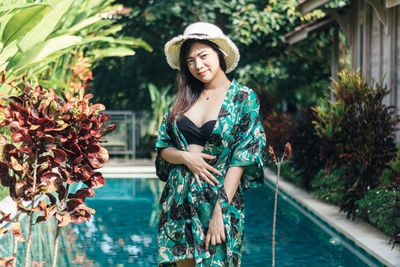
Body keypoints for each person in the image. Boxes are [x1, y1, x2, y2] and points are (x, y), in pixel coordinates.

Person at [155, 22, 267, 267]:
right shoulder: (184, 99)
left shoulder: (243, 98)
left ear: (220, 53)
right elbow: (164, 147)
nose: (198, 65)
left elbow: (244, 155)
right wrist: (186, 158)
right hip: (178, 203)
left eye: (203, 56)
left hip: (217, 202)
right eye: (190, 61)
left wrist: (221, 210)